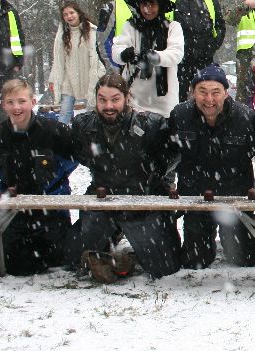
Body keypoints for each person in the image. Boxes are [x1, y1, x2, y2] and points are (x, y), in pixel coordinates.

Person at [64, 73, 180, 279]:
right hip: (103, 199)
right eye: (102, 100)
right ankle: (110, 235)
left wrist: (153, 180)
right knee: (73, 259)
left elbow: (171, 157)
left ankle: (133, 250)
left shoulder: (150, 125)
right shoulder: (84, 125)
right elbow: (80, 155)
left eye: (115, 99)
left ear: (127, 98)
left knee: (164, 267)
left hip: (143, 201)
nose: (108, 106)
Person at [167, 64, 255, 269]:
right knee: (195, 261)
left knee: (245, 259)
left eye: (215, 92)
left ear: (226, 93)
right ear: (193, 92)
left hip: (234, 198)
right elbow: (167, 154)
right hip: (196, 198)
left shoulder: (246, 118)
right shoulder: (180, 116)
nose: (209, 99)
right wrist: (168, 183)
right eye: (203, 92)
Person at [0, 78, 76, 275]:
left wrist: (51, 181)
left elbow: (71, 160)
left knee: (56, 255)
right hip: (13, 203)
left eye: (22, 101)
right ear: (3, 105)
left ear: (33, 102)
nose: (16, 107)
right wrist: (13, 182)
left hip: (49, 202)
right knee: (2, 257)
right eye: (10, 102)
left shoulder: (54, 131)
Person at [112, 0, 185, 116]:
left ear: (160, 6)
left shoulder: (173, 27)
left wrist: (155, 56)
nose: (147, 9)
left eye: (152, 4)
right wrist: (124, 54)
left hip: (164, 101)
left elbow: (176, 53)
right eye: (144, 4)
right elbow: (117, 50)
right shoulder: (130, 26)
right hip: (134, 99)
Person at [166, 0, 226, 100]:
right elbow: (164, 26)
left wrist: (212, 46)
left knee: (205, 97)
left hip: (205, 58)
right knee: (178, 98)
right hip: (180, 60)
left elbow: (220, 24)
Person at [49, 2, 104, 124]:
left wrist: (100, 74)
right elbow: (58, 60)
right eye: (65, 14)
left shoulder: (91, 31)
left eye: (71, 13)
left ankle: (90, 133)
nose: (69, 16)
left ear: (78, 13)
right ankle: (62, 133)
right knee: (65, 112)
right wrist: (53, 79)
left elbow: (97, 57)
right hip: (69, 78)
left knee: (92, 111)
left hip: (88, 76)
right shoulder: (62, 34)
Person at [96, 0, 146, 72]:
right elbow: (103, 42)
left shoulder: (149, 8)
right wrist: (114, 69)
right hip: (122, 69)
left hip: (145, 71)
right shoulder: (112, 8)